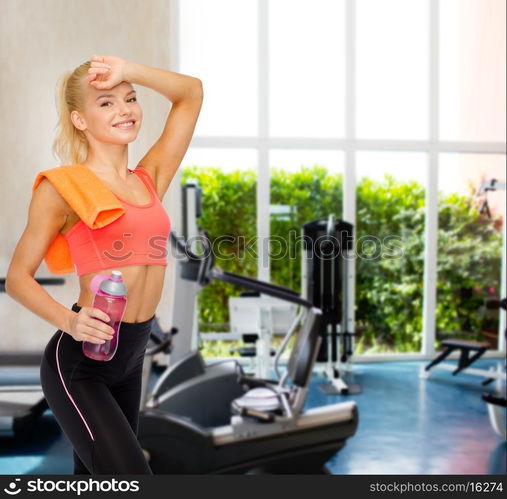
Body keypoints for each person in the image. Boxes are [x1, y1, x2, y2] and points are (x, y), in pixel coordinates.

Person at [5, 55, 203, 474]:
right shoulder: (63, 189)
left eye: (129, 99)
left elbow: (191, 94)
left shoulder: (149, 177)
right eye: (106, 103)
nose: (125, 109)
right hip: (81, 361)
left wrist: (130, 70)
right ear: (80, 120)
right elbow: (18, 279)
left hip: (132, 355)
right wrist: (70, 321)